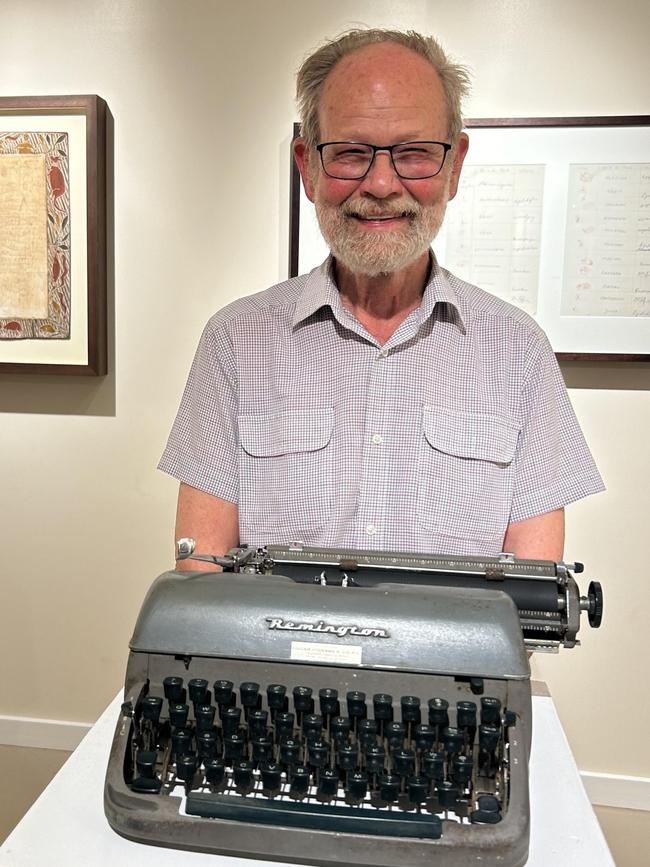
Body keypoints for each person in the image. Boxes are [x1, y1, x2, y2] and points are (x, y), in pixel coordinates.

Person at [159, 29, 604, 570]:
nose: (382, 184)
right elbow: (199, 573)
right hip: (270, 659)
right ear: (308, 167)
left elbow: (532, 597)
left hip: (453, 660)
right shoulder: (234, 341)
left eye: (414, 153)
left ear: (455, 165)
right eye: (350, 153)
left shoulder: (519, 350)